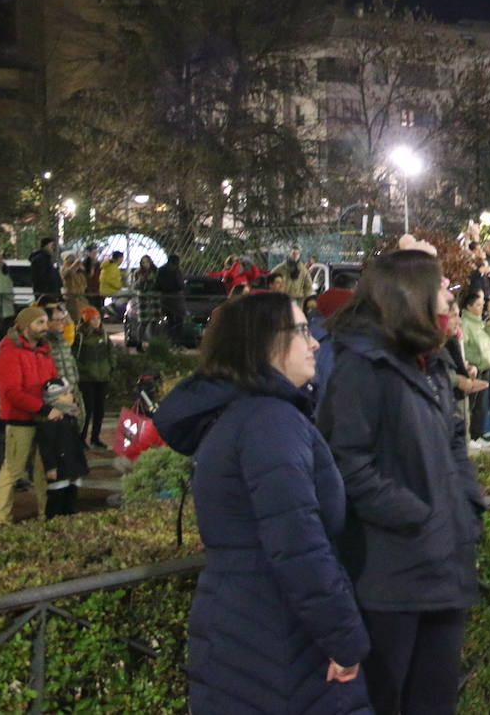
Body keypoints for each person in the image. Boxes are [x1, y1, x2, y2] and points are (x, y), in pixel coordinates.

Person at [153, 292, 371, 713]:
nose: (315, 343)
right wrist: (345, 640)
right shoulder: (269, 421)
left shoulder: (249, 415)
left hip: (254, 629)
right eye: (303, 330)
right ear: (262, 342)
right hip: (278, 637)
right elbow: (299, 544)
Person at [319, 250, 484, 715]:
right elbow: (346, 463)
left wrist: (465, 503)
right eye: (442, 288)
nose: (450, 298)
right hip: (390, 577)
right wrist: (418, 515)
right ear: (411, 296)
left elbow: (453, 440)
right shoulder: (362, 366)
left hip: (442, 567)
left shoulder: (428, 364)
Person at [0, 307, 56, 524]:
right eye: (40, 323)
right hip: (20, 420)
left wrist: (62, 396)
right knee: (13, 470)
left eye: (45, 322)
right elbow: (11, 392)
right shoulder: (9, 353)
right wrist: (45, 408)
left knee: (42, 470)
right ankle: (0, 519)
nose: (45, 327)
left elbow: (53, 381)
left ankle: (45, 514)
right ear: (25, 326)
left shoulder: (44, 350)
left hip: (42, 419)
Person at [36, 377, 88, 518]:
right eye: (65, 394)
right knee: (56, 498)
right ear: (55, 400)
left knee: (71, 495)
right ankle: (53, 522)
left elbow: (75, 442)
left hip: (72, 463)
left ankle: (68, 518)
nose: (70, 396)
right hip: (60, 465)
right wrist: (50, 466)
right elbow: (46, 447)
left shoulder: (70, 416)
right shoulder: (50, 422)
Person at [458, 288, 490, 448]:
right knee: (473, 405)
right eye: (478, 305)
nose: (481, 307)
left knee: (482, 406)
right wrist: (474, 362)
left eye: (482, 304)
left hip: (485, 367)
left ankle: (478, 434)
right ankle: (471, 436)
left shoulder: (480, 323)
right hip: (476, 369)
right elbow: (465, 348)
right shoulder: (466, 323)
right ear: (469, 306)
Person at [73, 306, 115, 448]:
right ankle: (81, 438)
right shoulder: (80, 337)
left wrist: (110, 367)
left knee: (100, 409)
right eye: (93, 319)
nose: (97, 321)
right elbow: (75, 357)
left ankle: (95, 438)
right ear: (86, 321)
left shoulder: (103, 334)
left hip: (102, 377)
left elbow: (111, 351)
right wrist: (83, 370)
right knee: (87, 409)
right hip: (87, 379)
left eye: (98, 318)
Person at [156, 252, 187, 341]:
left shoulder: (161, 270)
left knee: (170, 321)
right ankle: (177, 342)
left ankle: (169, 340)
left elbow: (157, 285)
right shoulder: (176, 270)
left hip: (164, 298)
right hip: (176, 299)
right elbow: (180, 285)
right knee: (179, 321)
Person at [62, 253, 87, 323]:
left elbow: (84, 282)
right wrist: (74, 265)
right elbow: (66, 274)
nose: (72, 259)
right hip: (71, 296)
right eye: (70, 257)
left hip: (81, 296)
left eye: (73, 257)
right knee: (73, 316)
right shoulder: (64, 268)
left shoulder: (80, 270)